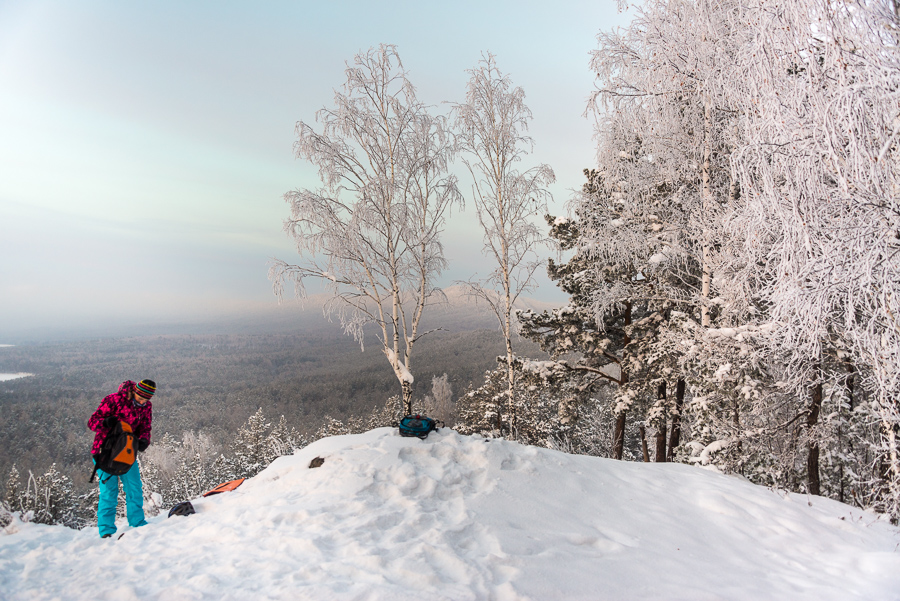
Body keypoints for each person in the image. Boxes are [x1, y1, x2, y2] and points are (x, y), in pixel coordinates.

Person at [88, 379, 156, 538]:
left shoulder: (146, 406)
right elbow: (92, 422)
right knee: (109, 492)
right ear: (134, 391)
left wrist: (144, 439)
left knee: (134, 487)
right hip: (105, 452)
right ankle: (106, 531)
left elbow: (145, 426)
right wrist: (105, 422)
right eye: (140, 398)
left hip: (127, 453)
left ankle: (137, 523)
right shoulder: (113, 400)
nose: (142, 402)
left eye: (146, 399)